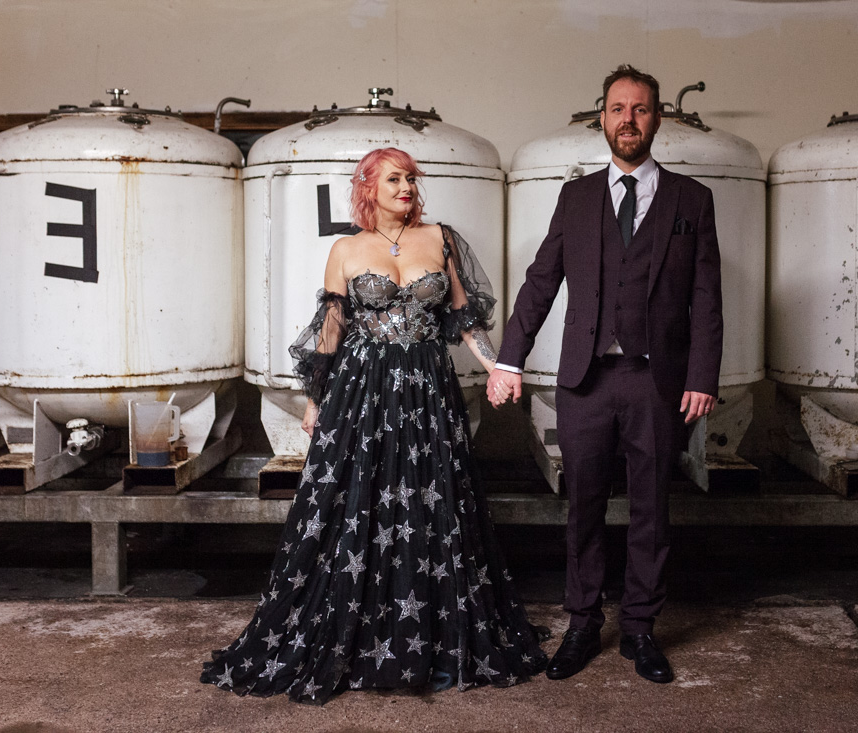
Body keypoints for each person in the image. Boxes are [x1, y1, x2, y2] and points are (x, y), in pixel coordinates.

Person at [201, 147, 547, 704]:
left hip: (428, 389)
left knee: (432, 502)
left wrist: (497, 368)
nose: (406, 186)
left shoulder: (441, 238)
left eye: (411, 177)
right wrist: (315, 399)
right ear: (368, 186)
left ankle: (430, 637)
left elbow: (463, 318)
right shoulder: (345, 249)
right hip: (362, 392)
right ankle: (359, 634)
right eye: (394, 178)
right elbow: (331, 332)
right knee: (356, 503)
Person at [487, 65, 723, 684]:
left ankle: (641, 630)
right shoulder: (577, 196)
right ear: (602, 118)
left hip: (657, 380)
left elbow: (706, 297)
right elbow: (542, 282)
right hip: (585, 380)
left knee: (651, 509)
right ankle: (584, 622)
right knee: (583, 507)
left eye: (640, 109)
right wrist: (510, 357)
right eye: (618, 109)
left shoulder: (692, 200)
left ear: (657, 119)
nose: (628, 120)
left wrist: (703, 375)